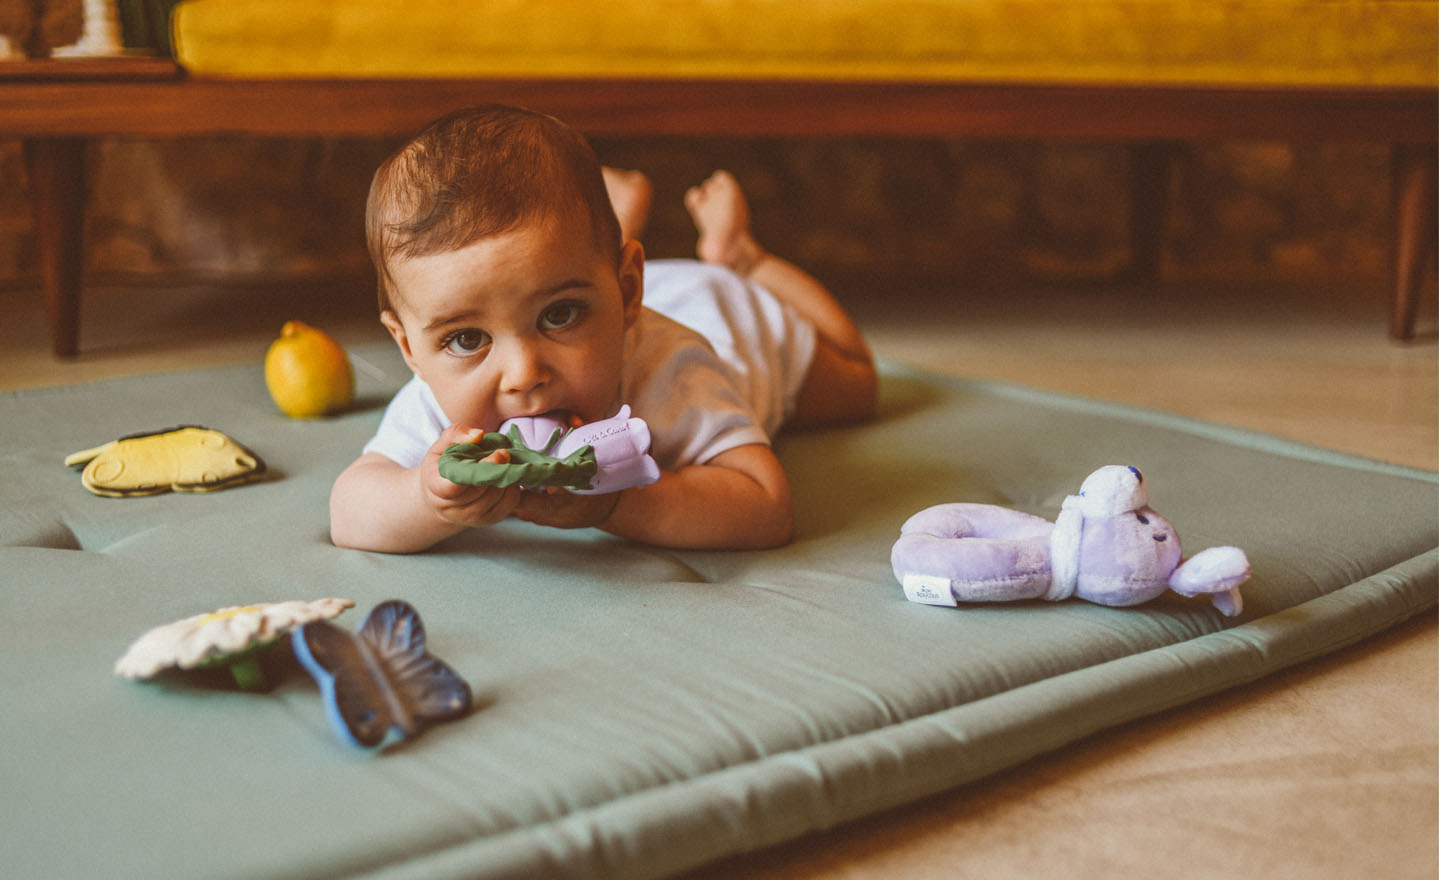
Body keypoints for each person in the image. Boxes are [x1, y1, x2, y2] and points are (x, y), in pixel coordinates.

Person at [331, 105, 876, 553]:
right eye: (468, 339)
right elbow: (349, 512)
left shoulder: (676, 370)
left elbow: (765, 504)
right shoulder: (439, 401)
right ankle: (603, 240)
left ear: (628, 292)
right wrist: (425, 500)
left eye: (559, 315)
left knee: (858, 385)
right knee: (559, 271)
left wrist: (614, 503)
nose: (524, 376)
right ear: (410, 348)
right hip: (605, 284)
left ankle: (741, 256)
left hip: (733, 318)